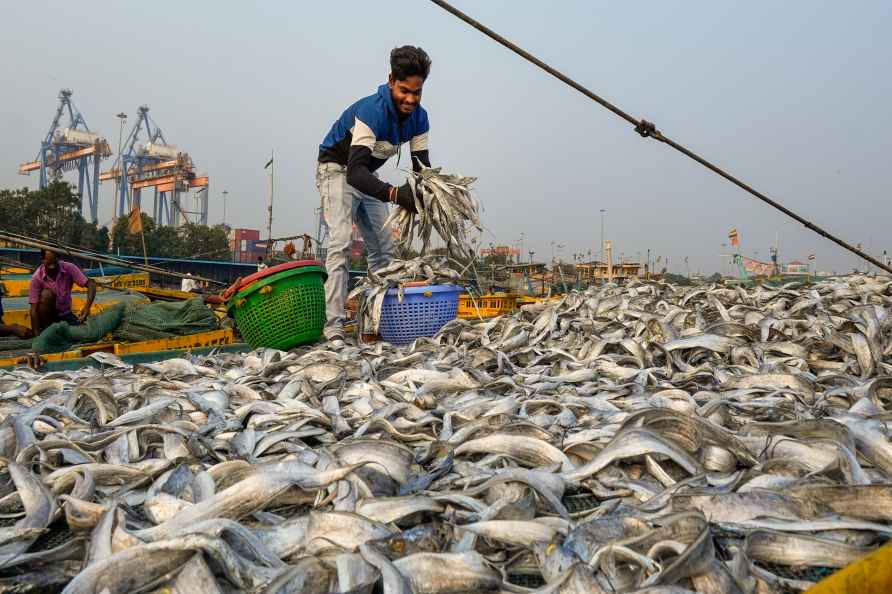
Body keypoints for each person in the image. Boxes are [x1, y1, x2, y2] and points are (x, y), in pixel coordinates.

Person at [317, 45, 432, 343]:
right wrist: (395, 194)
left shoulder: (420, 119)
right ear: (391, 80)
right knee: (341, 244)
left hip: (368, 176)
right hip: (337, 170)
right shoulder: (372, 111)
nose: (410, 99)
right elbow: (354, 172)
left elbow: (422, 168)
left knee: (384, 252)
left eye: (416, 93)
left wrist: (427, 196)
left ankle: (374, 328)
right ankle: (333, 330)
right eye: (404, 90)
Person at [28, 250, 96, 335]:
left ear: (58, 258)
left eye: (54, 263)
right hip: (47, 318)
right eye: (49, 264)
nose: (52, 267)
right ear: (43, 261)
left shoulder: (69, 267)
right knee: (46, 294)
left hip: (65, 314)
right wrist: (37, 334)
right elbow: (33, 310)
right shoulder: (36, 278)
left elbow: (91, 284)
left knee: (84, 333)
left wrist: (87, 307)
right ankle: (48, 331)